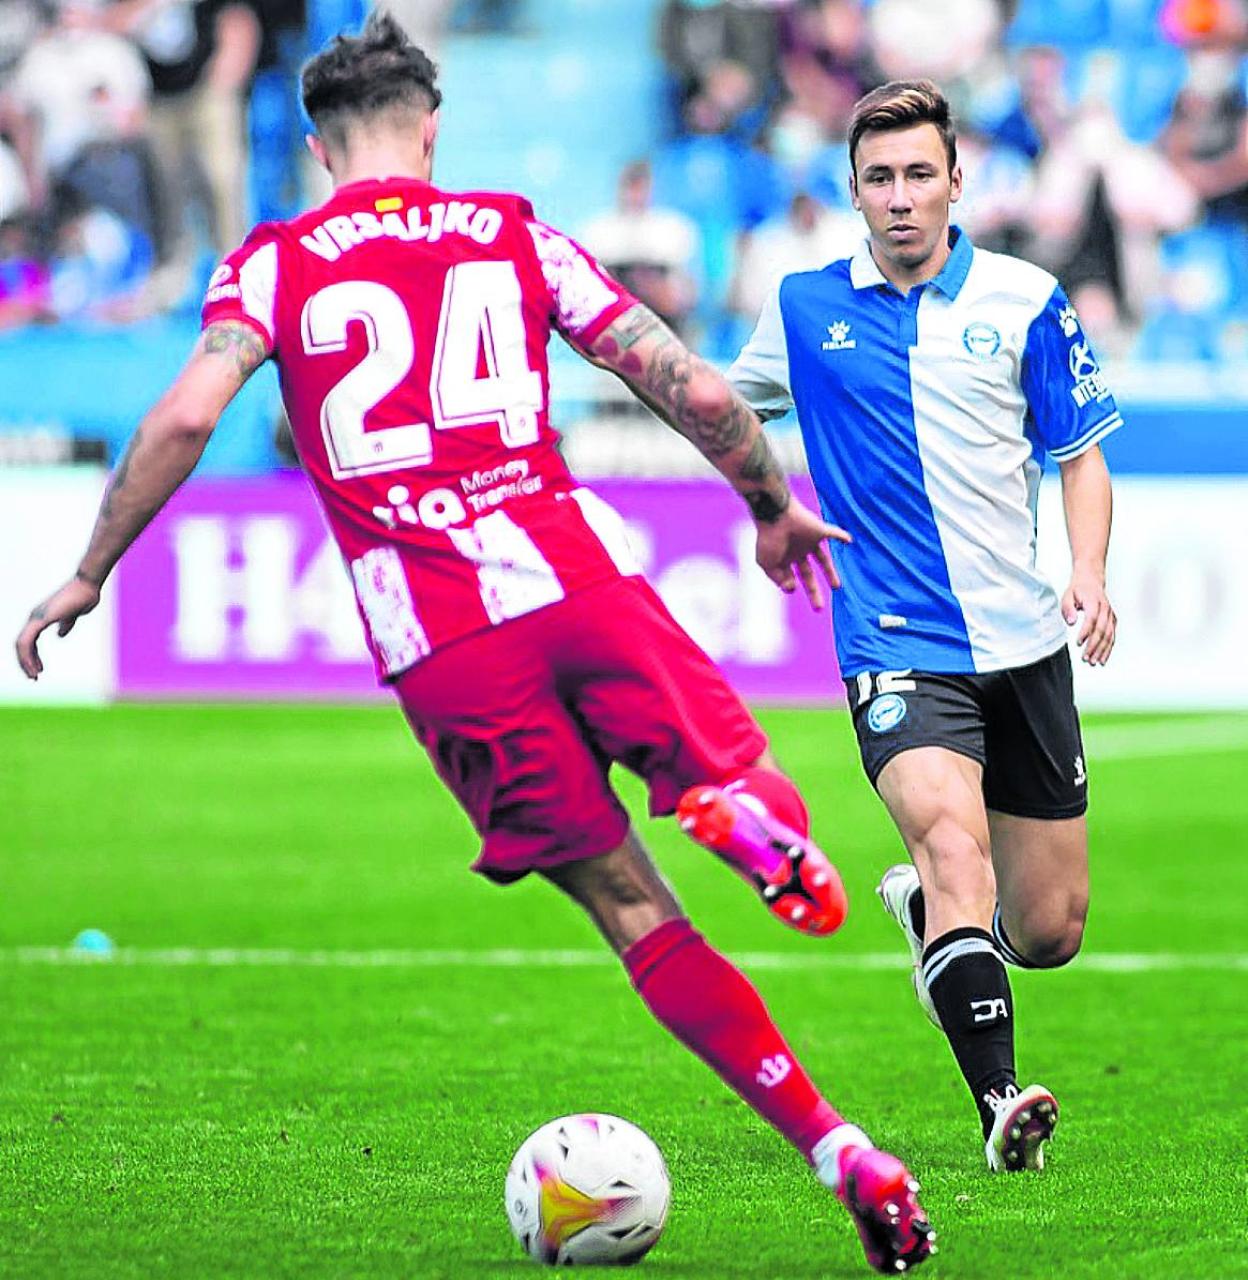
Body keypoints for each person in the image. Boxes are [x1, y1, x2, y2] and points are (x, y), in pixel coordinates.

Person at [14, 16, 934, 1274]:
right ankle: (732, 806)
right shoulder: (507, 230)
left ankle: (837, 1145)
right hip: (573, 570)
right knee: (721, 770)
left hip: (440, 635)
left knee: (630, 909)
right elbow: (700, 390)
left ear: (318, 145)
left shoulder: (272, 265)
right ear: (431, 129)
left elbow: (183, 416)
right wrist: (770, 508)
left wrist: (88, 568)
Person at [729, 79, 1122, 1173]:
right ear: (852, 192)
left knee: (1047, 929)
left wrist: (1086, 570)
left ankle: (938, 925)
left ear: (957, 179)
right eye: (878, 178)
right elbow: (721, 405)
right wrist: (770, 505)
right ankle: (1001, 1102)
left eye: (918, 174)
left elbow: (1078, 454)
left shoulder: (1028, 300)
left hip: (1024, 642)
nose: (900, 197)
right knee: (954, 850)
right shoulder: (806, 306)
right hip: (894, 638)